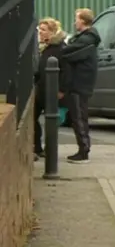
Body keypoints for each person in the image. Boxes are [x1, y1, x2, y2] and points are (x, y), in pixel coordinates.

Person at [61, 8, 101, 164]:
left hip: (79, 85)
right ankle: (82, 149)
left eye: (77, 19)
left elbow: (67, 53)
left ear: (83, 21)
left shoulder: (85, 41)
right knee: (78, 117)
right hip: (80, 84)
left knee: (79, 117)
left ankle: (83, 151)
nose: (74, 22)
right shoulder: (86, 39)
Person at [34, 18, 69, 158]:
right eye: (39, 30)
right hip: (41, 90)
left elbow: (67, 72)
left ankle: (50, 152)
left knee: (51, 122)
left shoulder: (60, 49)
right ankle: (37, 147)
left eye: (43, 30)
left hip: (53, 92)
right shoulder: (44, 48)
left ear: (52, 32)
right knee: (32, 118)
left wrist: (61, 90)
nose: (40, 33)